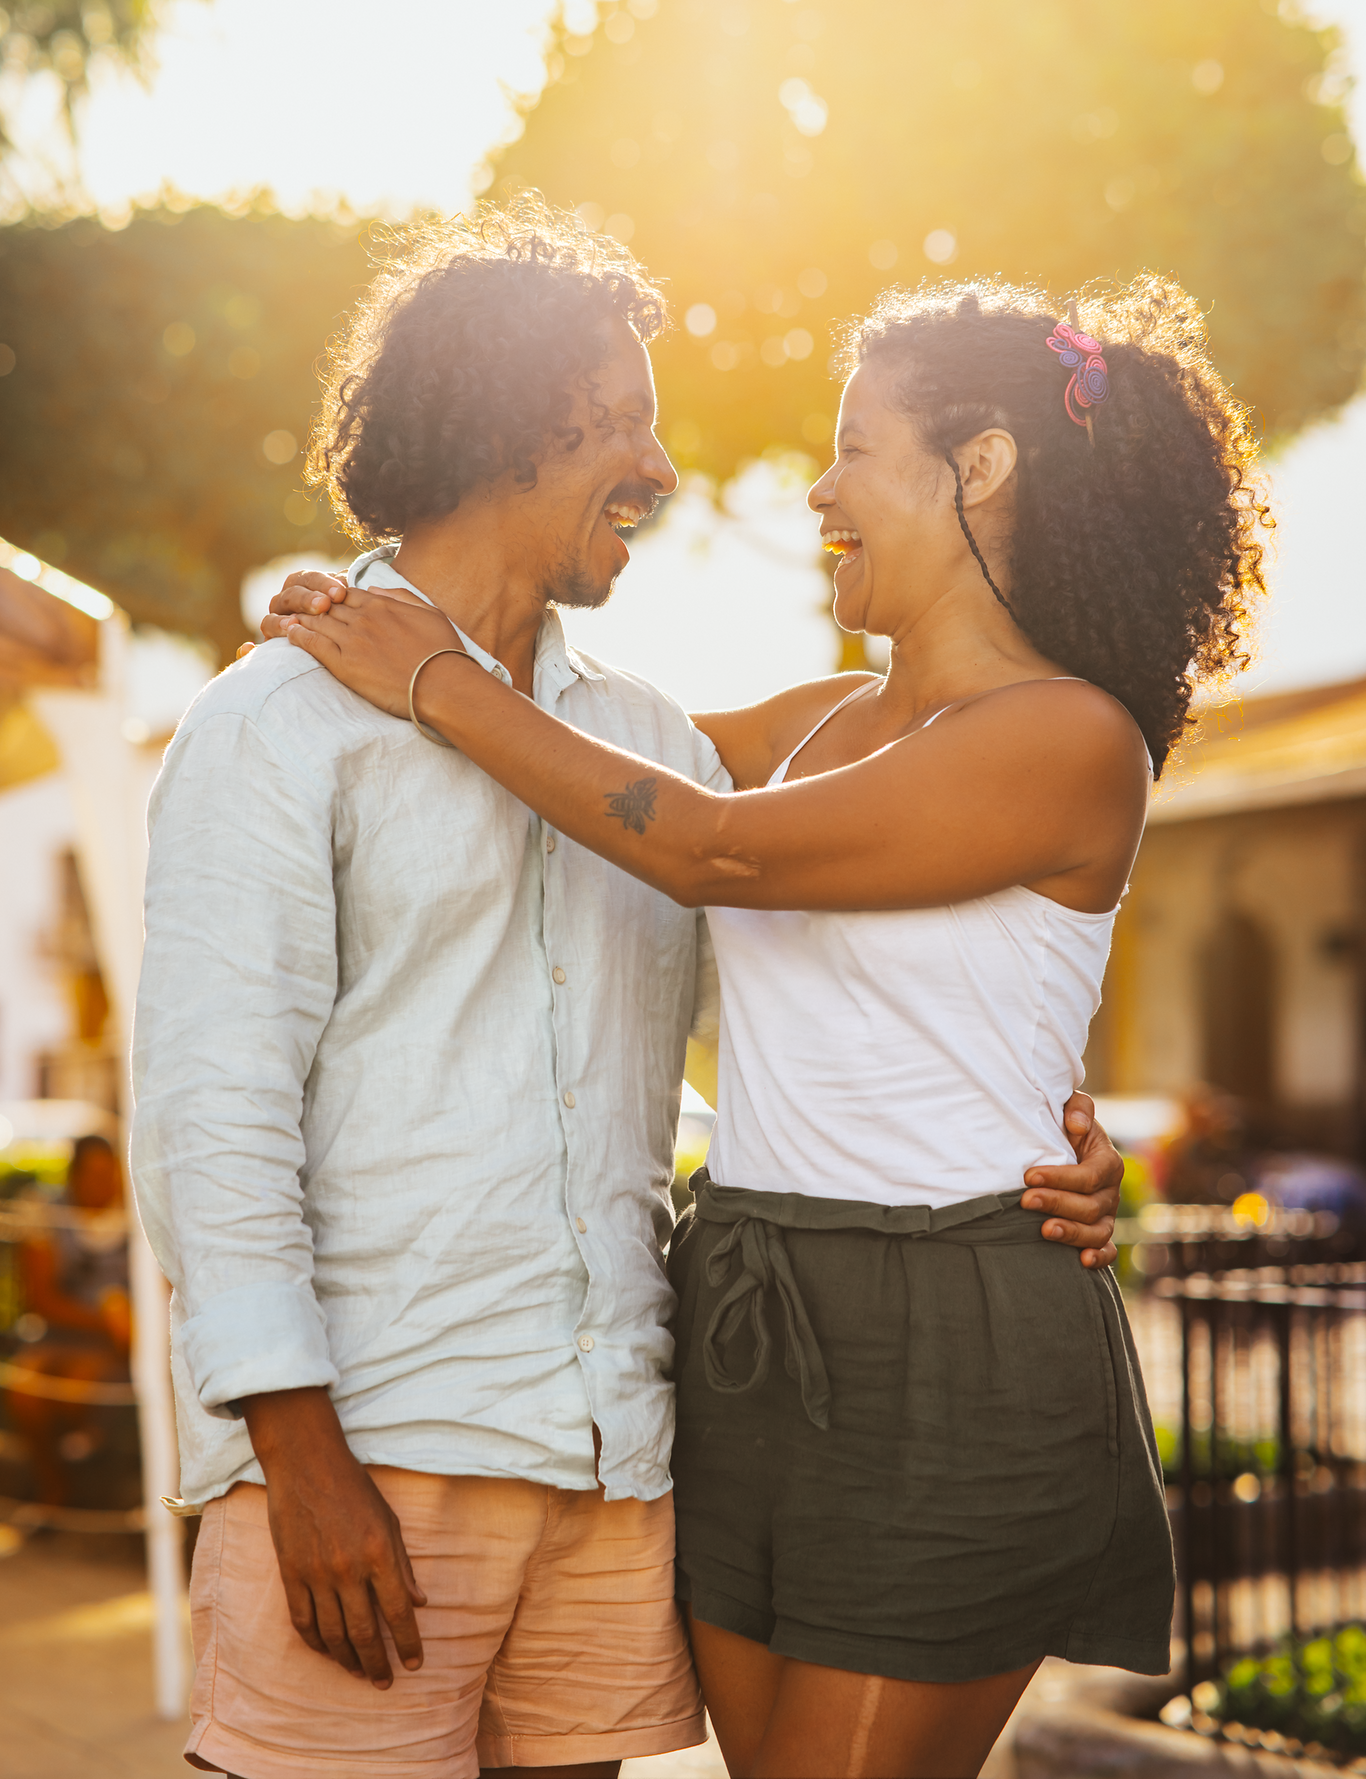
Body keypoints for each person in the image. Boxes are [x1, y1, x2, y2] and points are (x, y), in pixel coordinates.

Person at [133, 205, 1120, 1779]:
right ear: (518, 427)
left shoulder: (650, 750)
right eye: (628, 426)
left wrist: (1027, 1132)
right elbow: (210, 1120)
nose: (663, 471)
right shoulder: (274, 731)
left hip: (616, 1462)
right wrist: (293, 1455)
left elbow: (790, 927)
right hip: (377, 1451)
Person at [4, 1134, 131, 1509]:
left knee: (78, 1387)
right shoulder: (47, 1213)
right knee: (27, 1390)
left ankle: (78, 1465)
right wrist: (105, 1319)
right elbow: (40, 1299)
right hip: (60, 1335)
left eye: (108, 1173)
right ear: (74, 1175)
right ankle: (53, 1485)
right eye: (92, 1173)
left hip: (112, 1346)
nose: (101, 1182)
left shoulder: (136, 1216)